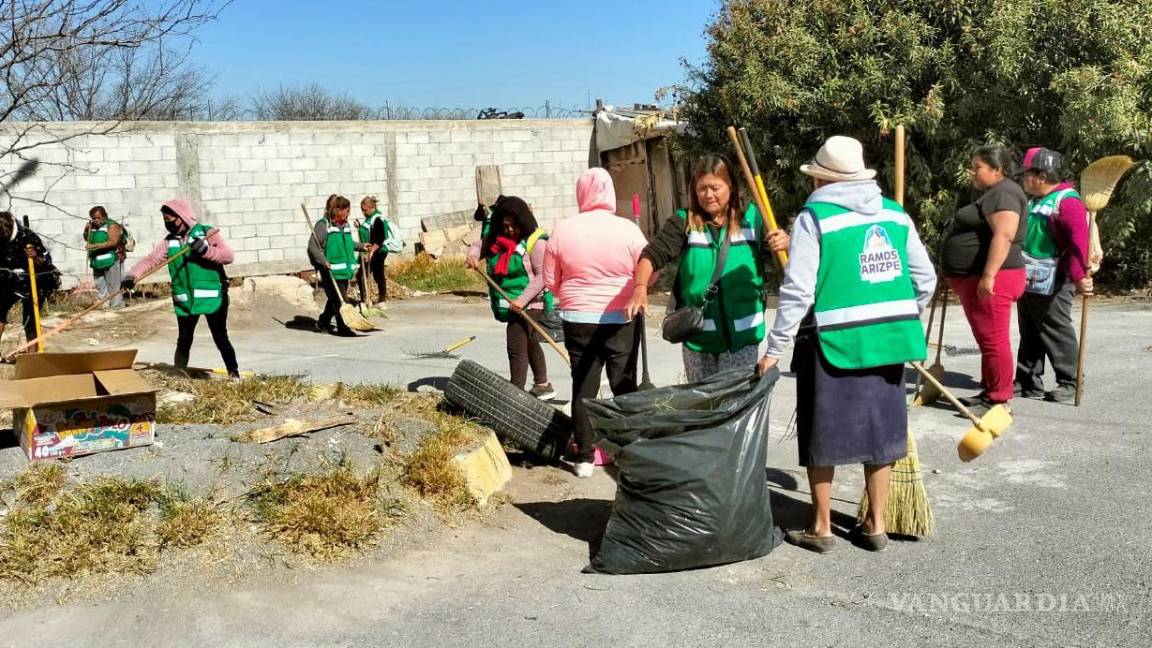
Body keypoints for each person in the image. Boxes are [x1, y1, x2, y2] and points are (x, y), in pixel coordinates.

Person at [758, 135, 936, 553]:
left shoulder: (813, 218)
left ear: (821, 179)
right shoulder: (895, 215)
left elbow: (798, 291)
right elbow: (925, 279)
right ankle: (875, 525)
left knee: (823, 433)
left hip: (831, 344)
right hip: (888, 342)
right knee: (883, 434)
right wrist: (900, 317)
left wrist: (774, 348)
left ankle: (821, 527)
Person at [626, 154, 790, 381]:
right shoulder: (684, 221)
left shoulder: (753, 218)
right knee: (704, 409)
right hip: (698, 338)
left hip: (743, 339)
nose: (708, 195)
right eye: (702, 188)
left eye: (715, 187)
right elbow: (651, 256)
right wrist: (640, 287)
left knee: (735, 407)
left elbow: (785, 265)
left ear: (730, 186)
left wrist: (786, 243)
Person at [543, 168, 648, 478]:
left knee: (584, 388)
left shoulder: (563, 229)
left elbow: (550, 280)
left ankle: (584, 459)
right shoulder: (628, 229)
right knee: (623, 385)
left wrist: (573, 294)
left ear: (581, 193)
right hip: (622, 317)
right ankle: (627, 451)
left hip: (578, 319)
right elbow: (649, 270)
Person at [941, 145, 1028, 415]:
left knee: (994, 339)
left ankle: (999, 399)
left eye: (977, 166)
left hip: (997, 277)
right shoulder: (996, 193)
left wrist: (988, 275)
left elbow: (1004, 235)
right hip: (984, 277)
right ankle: (989, 392)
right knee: (987, 339)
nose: (972, 172)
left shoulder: (1005, 193)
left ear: (997, 169)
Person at [122, 199, 239, 379]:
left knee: (220, 337)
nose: (169, 224)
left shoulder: (206, 233)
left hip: (212, 298)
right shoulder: (170, 242)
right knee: (184, 339)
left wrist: (206, 250)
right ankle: (179, 375)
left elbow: (228, 256)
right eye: (165, 221)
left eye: (172, 220)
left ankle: (234, 374)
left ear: (183, 217)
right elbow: (151, 260)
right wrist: (132, 276)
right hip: (185, 299)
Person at [1016, 147, 1093, 403]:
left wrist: (1080, 276)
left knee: (1055, 328)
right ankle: (1027, 379)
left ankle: (1070, 381)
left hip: (1055, 278)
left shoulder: (1067, 202)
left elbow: (1079, 242)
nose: (1023, 179)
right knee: (1029, 329)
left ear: (1042, 176)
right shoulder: (1035, 200)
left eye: (1027, 174)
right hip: (1029, 275)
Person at [466, 196, 556, 400]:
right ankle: (543, 385)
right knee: (531, 340)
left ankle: (515, 393)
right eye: (505, 226)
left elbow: (543, 276)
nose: (509, 230)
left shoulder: (535, 243)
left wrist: (522, 300)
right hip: (512, 303)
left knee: (515, 342)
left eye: (514, 226)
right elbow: (480, 245)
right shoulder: (498, 241)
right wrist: (473, 255)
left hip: (532, 302)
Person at [0, 212, 59, 352]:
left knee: (30, 317)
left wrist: (35, 256)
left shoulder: (28, 237)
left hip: (33, 279)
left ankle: (32, 353)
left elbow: (45, 263)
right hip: (6, 278)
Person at [307, 195, 365, 336]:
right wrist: (322, 260)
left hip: (343, 270)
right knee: (340, 299)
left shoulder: (344, 226)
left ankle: (323, 322)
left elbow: (348, 244)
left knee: (336, 297)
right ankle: (343, 327)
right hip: (330, 269)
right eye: (346, 210)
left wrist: (362, 246)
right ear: (337, 210)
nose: (349, 213)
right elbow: (313, 247)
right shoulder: (323, 226)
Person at [356, 195, 399, 304]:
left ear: (372, 208)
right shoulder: (370, 218)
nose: (363, 213)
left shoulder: (378, 219)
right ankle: (372, 299)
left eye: (365, 210)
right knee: (373, 274)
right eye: (362, 210)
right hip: (372, 250)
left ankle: (374, 299)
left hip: (378, 251)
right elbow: (368, 232)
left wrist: (371, 253)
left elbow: (380, 238)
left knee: (365, 274)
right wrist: (359, 226)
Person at [83, 205, 126, 309]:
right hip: (97, 260)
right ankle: (104, 304)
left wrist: (94, 246)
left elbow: (113, 242)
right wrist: (86, 231)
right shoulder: (91, 226)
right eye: (94, 218)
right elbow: (87, 238)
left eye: (99, 218)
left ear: (105, 216)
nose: (96, 220)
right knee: (100, 284)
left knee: (114, 284)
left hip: (111, 259)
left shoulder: (112, 226)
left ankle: (117, 305)